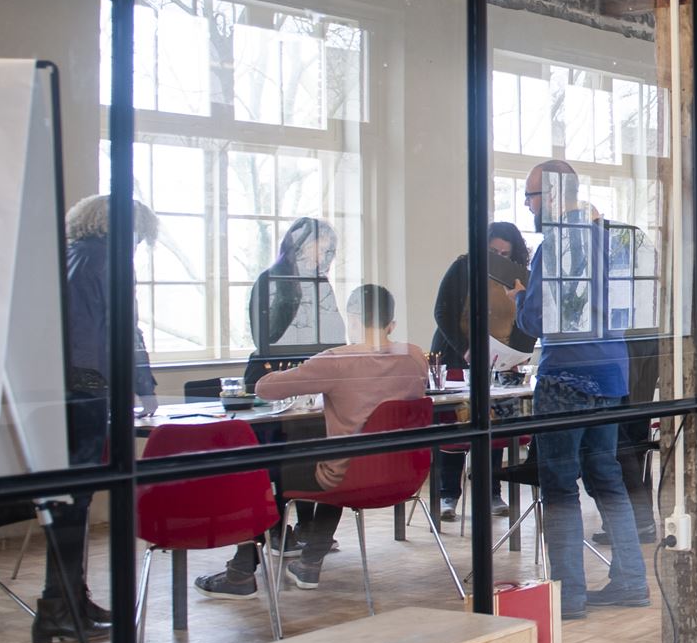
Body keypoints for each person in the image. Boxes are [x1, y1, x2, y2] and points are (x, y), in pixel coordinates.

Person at [196, 284, 428, 597]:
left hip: (346, 475)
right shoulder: (414, 355)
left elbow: (264, 387)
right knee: (337, 456)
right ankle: (309, 559)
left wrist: (309, 370)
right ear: (392, 323)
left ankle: (240, 573)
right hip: (399, 474)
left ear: (352, 319)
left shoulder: (336, 360)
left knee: (263, 472)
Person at [516, 159, 649, 620]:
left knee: (559, 486)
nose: (528, 206)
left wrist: (519, 298)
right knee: (607, 478)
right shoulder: (610, 240)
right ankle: (632, 580)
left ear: (552, 195)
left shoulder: (554, 245)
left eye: (531, 197)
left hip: (565, 377)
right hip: (610, 372)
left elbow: (535, 320)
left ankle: (569, 596)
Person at [49, 195, 160, 643]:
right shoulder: (101, 260)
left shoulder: (76, 256)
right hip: (85, 391)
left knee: (72, 498)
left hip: (71, 390)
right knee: (74, 500)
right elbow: (114, 330)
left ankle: (70, 601)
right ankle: (60, 607)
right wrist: (139, 383)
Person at [429, 221, 535, 520]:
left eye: (504, 253)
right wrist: (465, 348)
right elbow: (442, 312)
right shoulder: (463, 267)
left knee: (494, 427)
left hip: (499, 360)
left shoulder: (519, 277)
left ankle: (491, 492)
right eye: (492, 251)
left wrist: (519, 354)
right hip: (457, 355)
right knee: (454, 426)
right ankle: (448, 494)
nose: (498, 257)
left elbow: (526, 320)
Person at [243, 217, 345, 389]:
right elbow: (266, 338)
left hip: (313, 374)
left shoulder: (321, 284)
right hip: (272, 374)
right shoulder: (269, 281)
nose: (322, 257)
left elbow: (335, 335)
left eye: (326, 251)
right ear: (303, 245)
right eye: (319, 249)